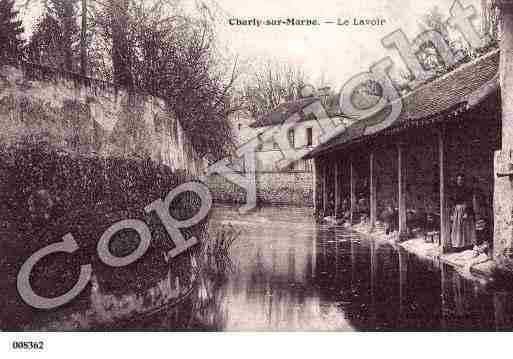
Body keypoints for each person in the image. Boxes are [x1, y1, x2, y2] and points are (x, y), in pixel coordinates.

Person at [450, 173, 476, 250]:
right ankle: (458, 245)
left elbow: (469, 201)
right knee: (458, 228)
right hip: (457, 211)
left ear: (464, 181)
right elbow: (453, 203)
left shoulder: (467, 190)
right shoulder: (454, 190)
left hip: (465, 209)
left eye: (461, 180)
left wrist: (467, 212)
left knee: (466, 228)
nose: (460, 181)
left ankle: (467, 245)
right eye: (458, 180)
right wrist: (452, 213)